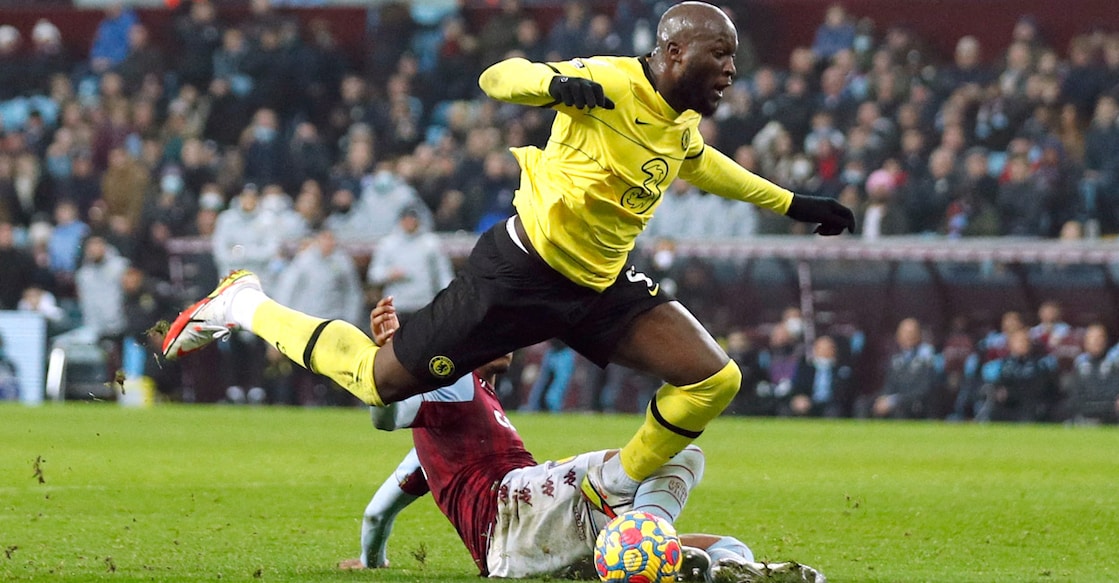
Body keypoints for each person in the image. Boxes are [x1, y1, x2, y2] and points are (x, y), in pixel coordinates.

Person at [163, 0, 854, 523]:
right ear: (673, 53)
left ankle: (609, 489)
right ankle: (242, 303)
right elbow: (500, 76)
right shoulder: (607, 81)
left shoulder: (677, 119)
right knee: (380, 382)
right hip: (518, 276)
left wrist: (795, 203)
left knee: (712, 379)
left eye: (733, 58)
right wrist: (550, 88)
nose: (731, 71)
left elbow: (702, 164)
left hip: (597, 284)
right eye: (719, 56)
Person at [337, 297, 824, 582]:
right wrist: (391, 367)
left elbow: (379, 511)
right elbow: (389, 414)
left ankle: (722, 566)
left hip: (520, 555)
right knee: (678, 452)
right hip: (517, 508)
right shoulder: (453, 386)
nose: (502, 338)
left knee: (725, 545)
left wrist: (372, 562)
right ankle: (646, 534)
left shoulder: (446, 434)